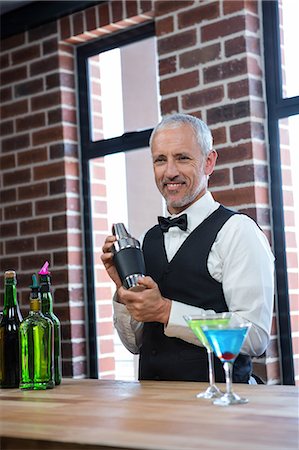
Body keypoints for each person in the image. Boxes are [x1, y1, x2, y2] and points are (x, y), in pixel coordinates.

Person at [101, 113, 274, 383]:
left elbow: (255, 337)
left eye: (182, 158)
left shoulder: (238, 231)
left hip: (217, 410)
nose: (170, 172)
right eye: (160, 160)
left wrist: (167, 311)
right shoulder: (149, 240)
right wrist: (123, 292)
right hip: (153, 406)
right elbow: (135, 344)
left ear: (208, 162)